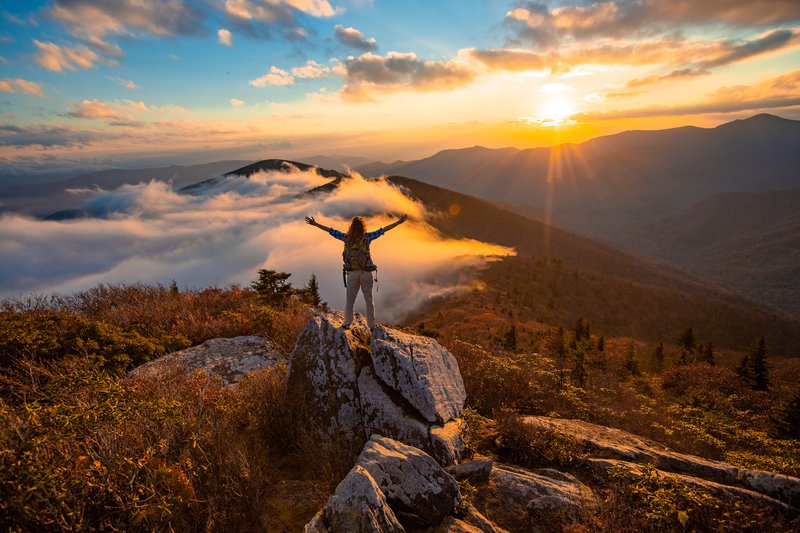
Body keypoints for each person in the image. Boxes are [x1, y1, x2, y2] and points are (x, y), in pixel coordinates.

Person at [305, 213, 407, 329]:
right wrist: (399, 222)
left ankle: (347, 323)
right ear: (363, 226)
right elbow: (383, 230)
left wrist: (315, 224)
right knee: (369, 300)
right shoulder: (367, 237)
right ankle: (371, 325)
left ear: (351, 227)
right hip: (366, 273)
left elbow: (331, 231)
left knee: (350, 300)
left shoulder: (346, 238)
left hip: (352, 273)